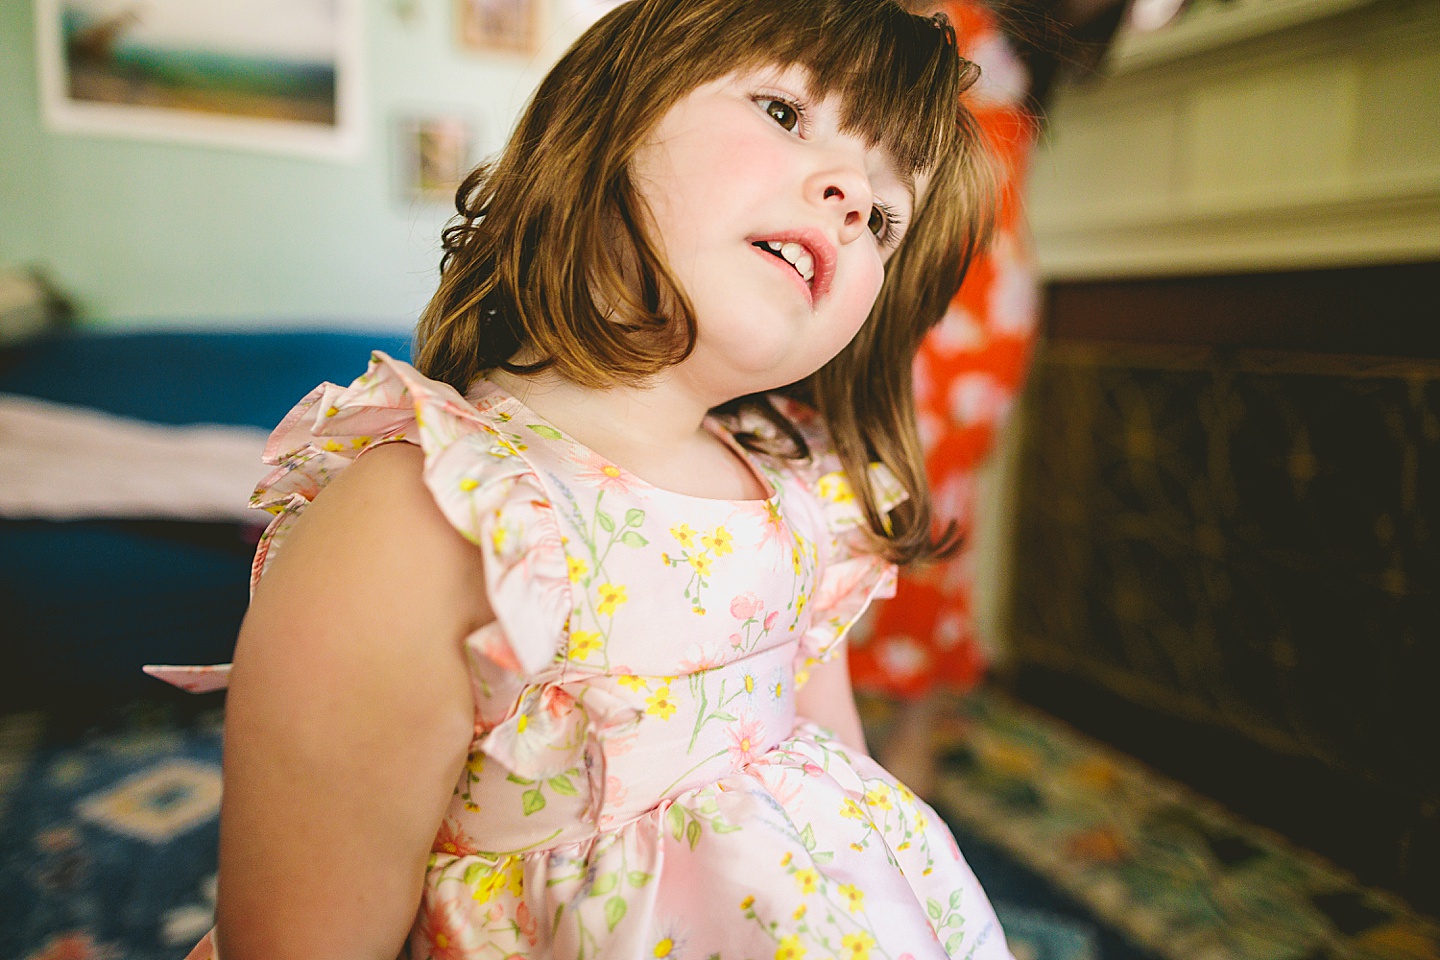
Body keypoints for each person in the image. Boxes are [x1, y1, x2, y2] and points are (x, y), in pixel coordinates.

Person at [147, 0, 1012, 956]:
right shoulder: (432, 520)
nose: (852, 195)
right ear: (607, 118)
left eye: (887, 217)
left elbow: (833, 756)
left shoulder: (803, 498)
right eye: (784, 112)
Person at [849, 0, 1131, 793]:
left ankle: (914, 729)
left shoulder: (1042, 52)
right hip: (905, 275)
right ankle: (809, 706)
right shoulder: (945, 12)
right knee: (849, 482)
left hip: (993, 295)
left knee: (945, 515)